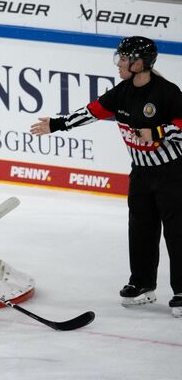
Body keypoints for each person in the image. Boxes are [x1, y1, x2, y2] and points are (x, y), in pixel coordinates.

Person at [30, 36, 182, 317]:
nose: (119, 64)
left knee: (177, 233)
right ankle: (142, 284)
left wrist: (158, 132)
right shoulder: (122, 92)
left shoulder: (167, 93)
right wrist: (57, 124)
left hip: (172, 174)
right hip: (141, 173)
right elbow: (92, 112)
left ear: (140, 63)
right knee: (140, 230)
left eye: (124, 59)